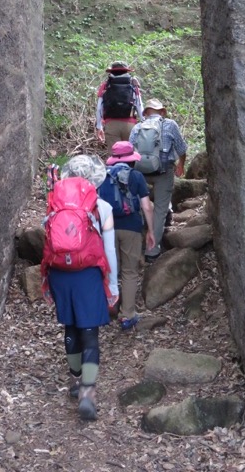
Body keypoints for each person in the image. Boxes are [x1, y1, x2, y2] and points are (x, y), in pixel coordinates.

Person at [42, 154, 119, 421]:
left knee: (71, 327)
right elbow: (109, 250)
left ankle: (76, 380)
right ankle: (88, 390)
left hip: (60, 274)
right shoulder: (102, 207)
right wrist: (112, 284)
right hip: (87, 274)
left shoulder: (55, 205)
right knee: (90, 334)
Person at [98, 141, 156, 330]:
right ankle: (127, 315)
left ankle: (109, 307)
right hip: (131, 228)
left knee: (110, 269)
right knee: (129, 272)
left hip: (107, 228)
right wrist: (151, 231)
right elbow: (147, 206)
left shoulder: (102, 177)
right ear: (132, 160)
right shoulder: (137, 176)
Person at [129, 98, 187, 263]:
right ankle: (152, 252)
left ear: (146, 113)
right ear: (162, 112)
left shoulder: (137, 127)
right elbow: (181, 148)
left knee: (138, 206)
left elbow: (129, 150)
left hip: (140, 172)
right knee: (160, 211)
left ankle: (135, 244)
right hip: (163, 171)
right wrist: (181, 164)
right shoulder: (170, 125)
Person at [95, 61, 144, 154]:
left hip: (111, 124)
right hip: (130, 125)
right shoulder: (133, 84)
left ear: (111, 72)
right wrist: (144, 122)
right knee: (130, 154)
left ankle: (115, 168)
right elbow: (139, 105)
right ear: (126, 72)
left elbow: (99, 108)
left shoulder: (105, 85)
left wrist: (99, 126)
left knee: (114, 155)